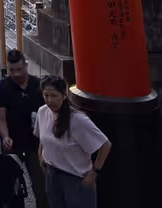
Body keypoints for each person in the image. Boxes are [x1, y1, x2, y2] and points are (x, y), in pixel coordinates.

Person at [35, 75, 111, 208]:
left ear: (64, 96)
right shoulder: (42, 112)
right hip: (52, 174)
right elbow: (43, 136)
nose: (49, 100)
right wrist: (41, 155)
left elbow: (105, 144)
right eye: (46, 95)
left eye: (54, 95)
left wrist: (95, 171)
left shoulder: (78, 120)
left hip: (75, 178)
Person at [0, 50, 48, 208]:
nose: (16, 74)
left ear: (26, 65)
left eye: (19, 69)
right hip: (13, 144)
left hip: (36, 144)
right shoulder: (2, 88)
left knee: (41, 188)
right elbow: (1, 118)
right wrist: (5, 136)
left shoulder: (38, 85)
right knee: (11, 188)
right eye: (12, 70)